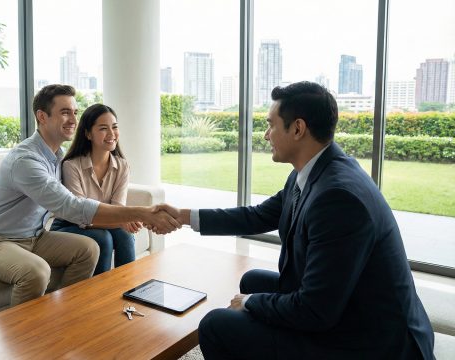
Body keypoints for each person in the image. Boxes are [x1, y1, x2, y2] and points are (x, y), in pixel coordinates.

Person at [160, 81, 434, 359]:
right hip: (346, 308)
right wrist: (181, 216)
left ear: (298, 129)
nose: (266, 135)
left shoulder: (338, 198)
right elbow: (257, 216)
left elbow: (315, 311)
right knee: (253, 280)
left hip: (371, 341)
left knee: (216, 325)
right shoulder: (314, 172)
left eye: (271, 125)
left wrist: (252, 303)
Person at [0, 84, 179, 306]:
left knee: (88, 249)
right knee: (38, 271)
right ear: (42, 116)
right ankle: (23, 338)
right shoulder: (26, 161)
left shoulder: (57, 157)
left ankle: (72, 313)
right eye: (64, 112)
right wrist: (143, 213)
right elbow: (71, 206)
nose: (73, 119)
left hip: (36, 237)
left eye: (75, 112)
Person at [50, 104, 139, 275]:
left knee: (125, 235)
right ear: (88, 133)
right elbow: (80, 215)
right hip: (69, 224)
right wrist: (121, 220)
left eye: (114, 127)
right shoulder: (71, 166)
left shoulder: (122, 166)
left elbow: (117, 209)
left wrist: (125, 219)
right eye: (103, 129)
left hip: (102, 222)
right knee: (103, 238)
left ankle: (128, 290)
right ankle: (99, 297)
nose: (112, 134)